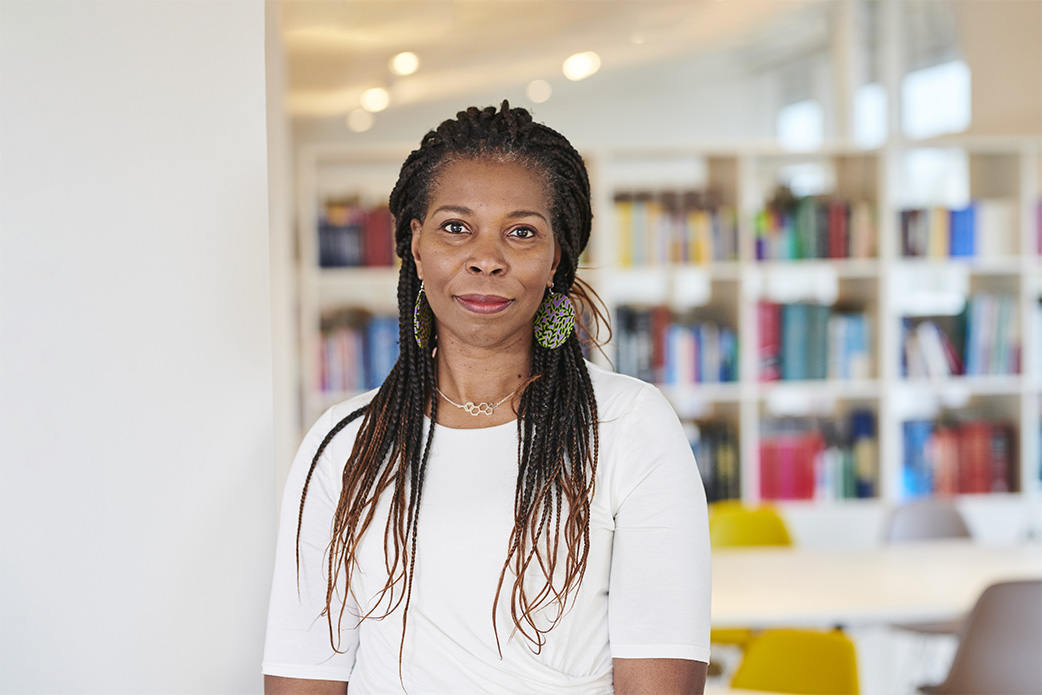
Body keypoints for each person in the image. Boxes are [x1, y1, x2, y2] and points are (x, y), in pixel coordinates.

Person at [262, 102, 711, 694]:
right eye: (456, 227)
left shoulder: (629, 425)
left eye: (522, 232)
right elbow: (304, 675)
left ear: (556, 256)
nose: (487, 259)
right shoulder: (346, 441)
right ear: (416, 243)